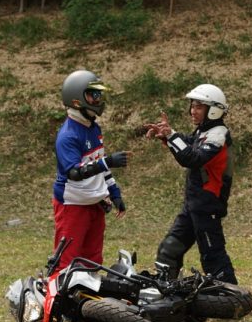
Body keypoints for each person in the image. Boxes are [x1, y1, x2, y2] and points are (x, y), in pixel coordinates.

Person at [143, 84, 238, 284]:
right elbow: (189, 143)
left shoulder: (218, 135)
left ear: (213, 110)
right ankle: (169, 294)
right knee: (168, 251)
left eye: (199, 107)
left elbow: (193, 158)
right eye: (192, 106)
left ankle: (234, 297)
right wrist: (169, 135)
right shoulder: (205, 131)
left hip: (207, 207)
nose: (193, 111)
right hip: (193, 207)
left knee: (214, 260)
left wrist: (171, 136)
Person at [51, 70, 128, 272]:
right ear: (76, 100)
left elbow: (99, 165)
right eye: (93, 95)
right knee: (66, 262)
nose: (98, 99)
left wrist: (114, 192)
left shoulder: (93, 128)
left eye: (99, 94)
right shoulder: (68, 136)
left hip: (94, 203)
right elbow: (75, 173)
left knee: (93, 260)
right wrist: (108, 161)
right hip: (73, 205)